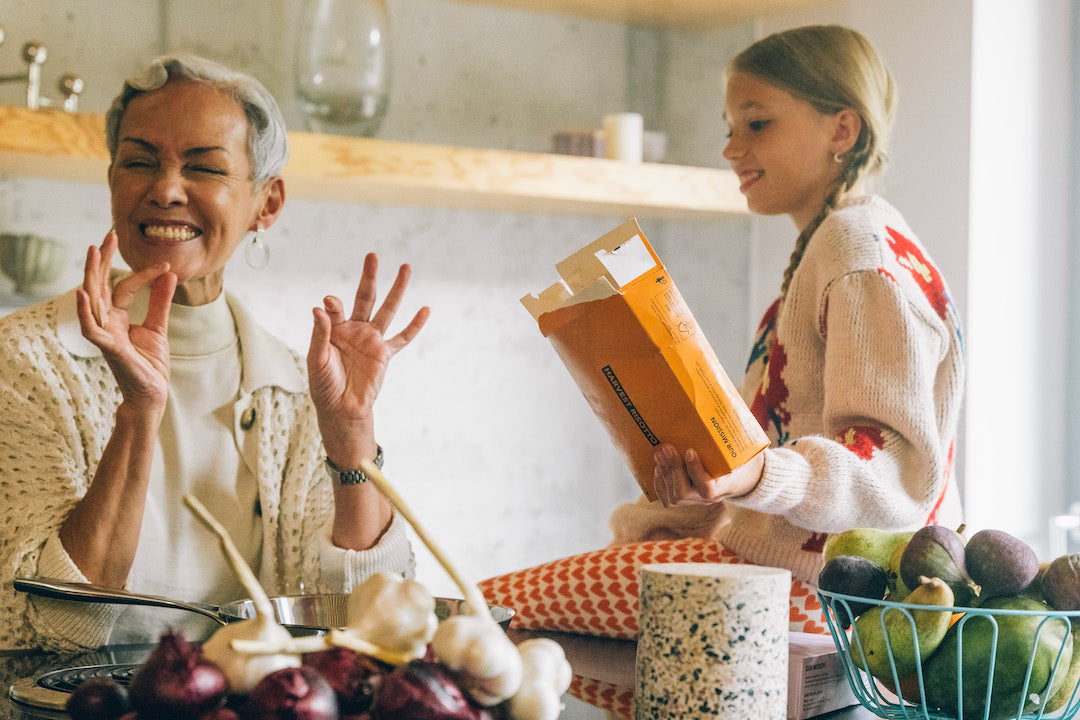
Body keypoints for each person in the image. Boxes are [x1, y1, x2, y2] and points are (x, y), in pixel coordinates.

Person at [0, 54, 429, 651]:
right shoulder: (22, 360)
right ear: (113, 181)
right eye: (139, 162)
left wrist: (350, 438)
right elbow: (43, 630)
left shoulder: (297, 386)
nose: (166, 190)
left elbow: (366, 622)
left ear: (267, 204)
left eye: (203, 168)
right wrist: (139, 412)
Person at [609, 25, 964, 626]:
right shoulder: (832, 255)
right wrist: (702, 488)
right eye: (729, 128)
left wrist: (754, 475)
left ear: (842, 130)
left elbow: (891, 470)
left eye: (757, 123)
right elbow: (764, 461)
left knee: (501, 615)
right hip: (798, 584)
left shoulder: (856, 253)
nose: (730, 149)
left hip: (820, 600)